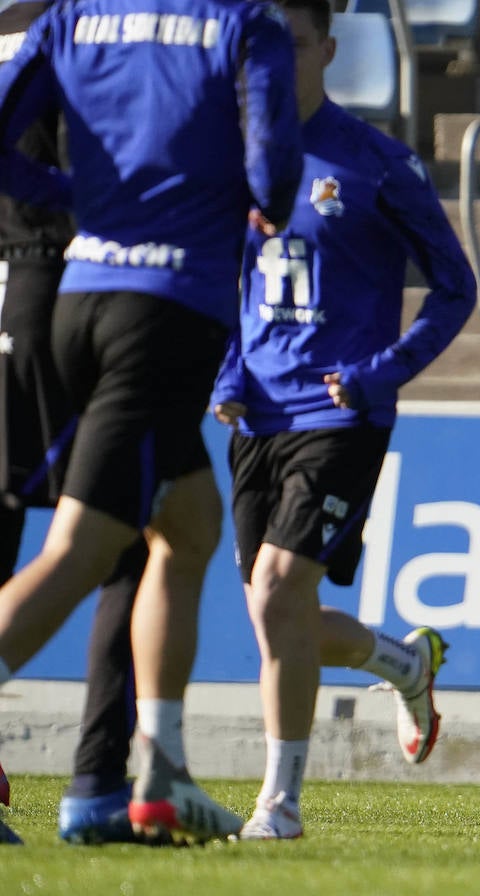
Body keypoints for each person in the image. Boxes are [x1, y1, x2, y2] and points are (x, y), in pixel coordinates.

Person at [0, 0, 302, 845]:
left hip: (78, 296)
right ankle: (145, 775)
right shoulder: (246, 23)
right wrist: (257, 203)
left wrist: (74, 194)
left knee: (188, 523)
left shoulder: (71, 18)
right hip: (166, 313)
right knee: (79, 552)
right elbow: (275, 170)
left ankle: (157, 774)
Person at [209, 0, 476, 841]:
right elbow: (225, 280)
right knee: (273, 615)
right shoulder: (237, 159)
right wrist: (226, 372)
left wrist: (378, 375)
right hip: (256, 415)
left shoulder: (380, 165)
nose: (276, 61)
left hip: (340, 415)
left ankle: (278, 804)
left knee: (282, 591)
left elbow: (455, 286)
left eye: (290, 44)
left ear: (326, 48)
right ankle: (406, 663)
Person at [0, 0, 155, 846]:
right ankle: (98, 784)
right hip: (65, 290)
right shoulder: (82, 39)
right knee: (120, 541)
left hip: (13, 295)